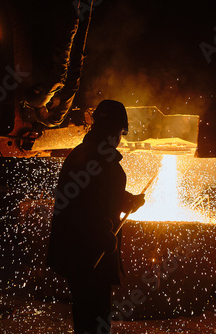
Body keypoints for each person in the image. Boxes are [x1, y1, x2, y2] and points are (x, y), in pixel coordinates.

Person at [46, 100, 145, 334]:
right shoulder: (93, 157)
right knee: (94, 317)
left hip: (85, 253)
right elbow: (85, 205)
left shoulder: (91, 154)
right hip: (88, 256)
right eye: (120, 132)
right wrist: (103, 236)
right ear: (112, 130)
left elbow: (101, 192)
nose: (120, 138)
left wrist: (128, 201)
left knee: (90, 315)